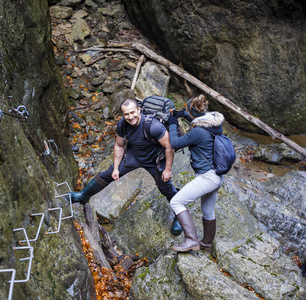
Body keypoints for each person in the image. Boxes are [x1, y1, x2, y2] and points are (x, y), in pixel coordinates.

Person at [68, 98, 183, 235]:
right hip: (134, 156)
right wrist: (116, 168)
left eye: (133, 113)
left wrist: (167, 169)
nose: (130, 117)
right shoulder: (122, 124)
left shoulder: (153, 126)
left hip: (154, 159)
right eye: (126, 114)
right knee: (107, 174)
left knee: (165, 188)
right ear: (123, 115)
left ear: (139, 110)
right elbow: (119, 145)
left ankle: (180, 215)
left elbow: (169, 147)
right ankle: (82, 196)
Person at [167, 94, 225, 252]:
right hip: (217, 176)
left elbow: (175, 143)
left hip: (207, 177)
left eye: (187, 111)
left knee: (177, 202)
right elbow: (197, 118)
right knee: (207, 210)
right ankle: (206, 244)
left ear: (192, 112)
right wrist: (183, 115)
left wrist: (172, 123)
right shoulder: (213, 124)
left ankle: (191, 240)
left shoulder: (198, 132)